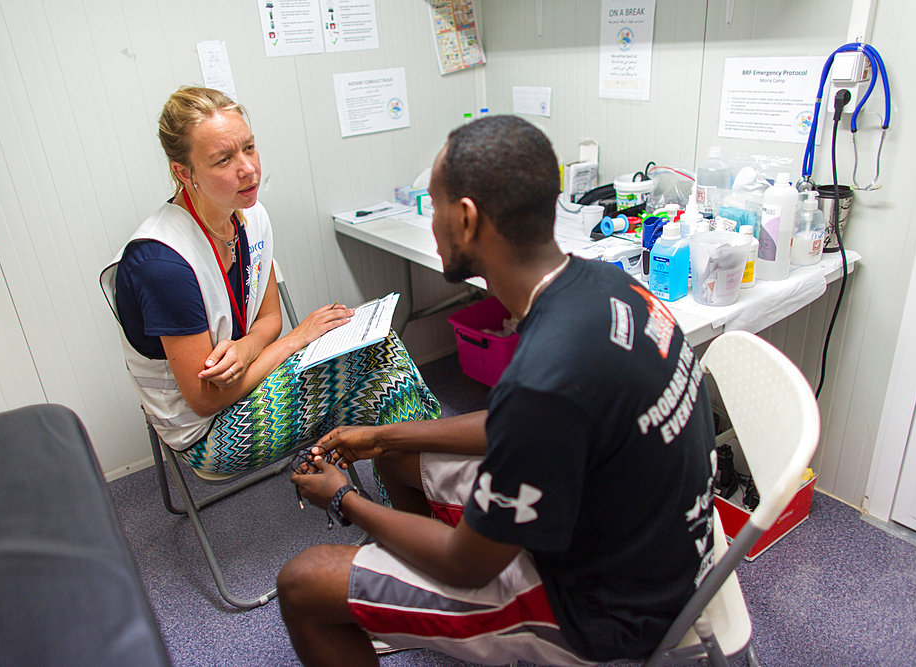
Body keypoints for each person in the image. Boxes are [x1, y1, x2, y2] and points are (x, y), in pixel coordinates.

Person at [280, 115, 718, 666]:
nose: (431, 221)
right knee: (398, 458)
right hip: (658, 545)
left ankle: (404, 598)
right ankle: (403, 597)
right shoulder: (606, 282)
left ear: (465, 219)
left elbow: (469, 564)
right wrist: (380, 436)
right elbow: (520, 427)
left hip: (605, 613)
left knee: (303, 583)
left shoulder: (546, 379)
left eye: (434, 205)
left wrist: (345, 498)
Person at [100, 86, 439, 476]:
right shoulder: (161, 264)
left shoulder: (249, 214)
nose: (247, 168)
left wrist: (246, 350)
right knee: (378, 371)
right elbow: (206, 398)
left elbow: (269, 321)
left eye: (249, 147)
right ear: (183, 172)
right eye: (223, 159)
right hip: (209, 433)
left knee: (380, 370)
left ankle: (420, 498)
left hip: (251, 376)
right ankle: (431, 500)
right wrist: (298, 338)